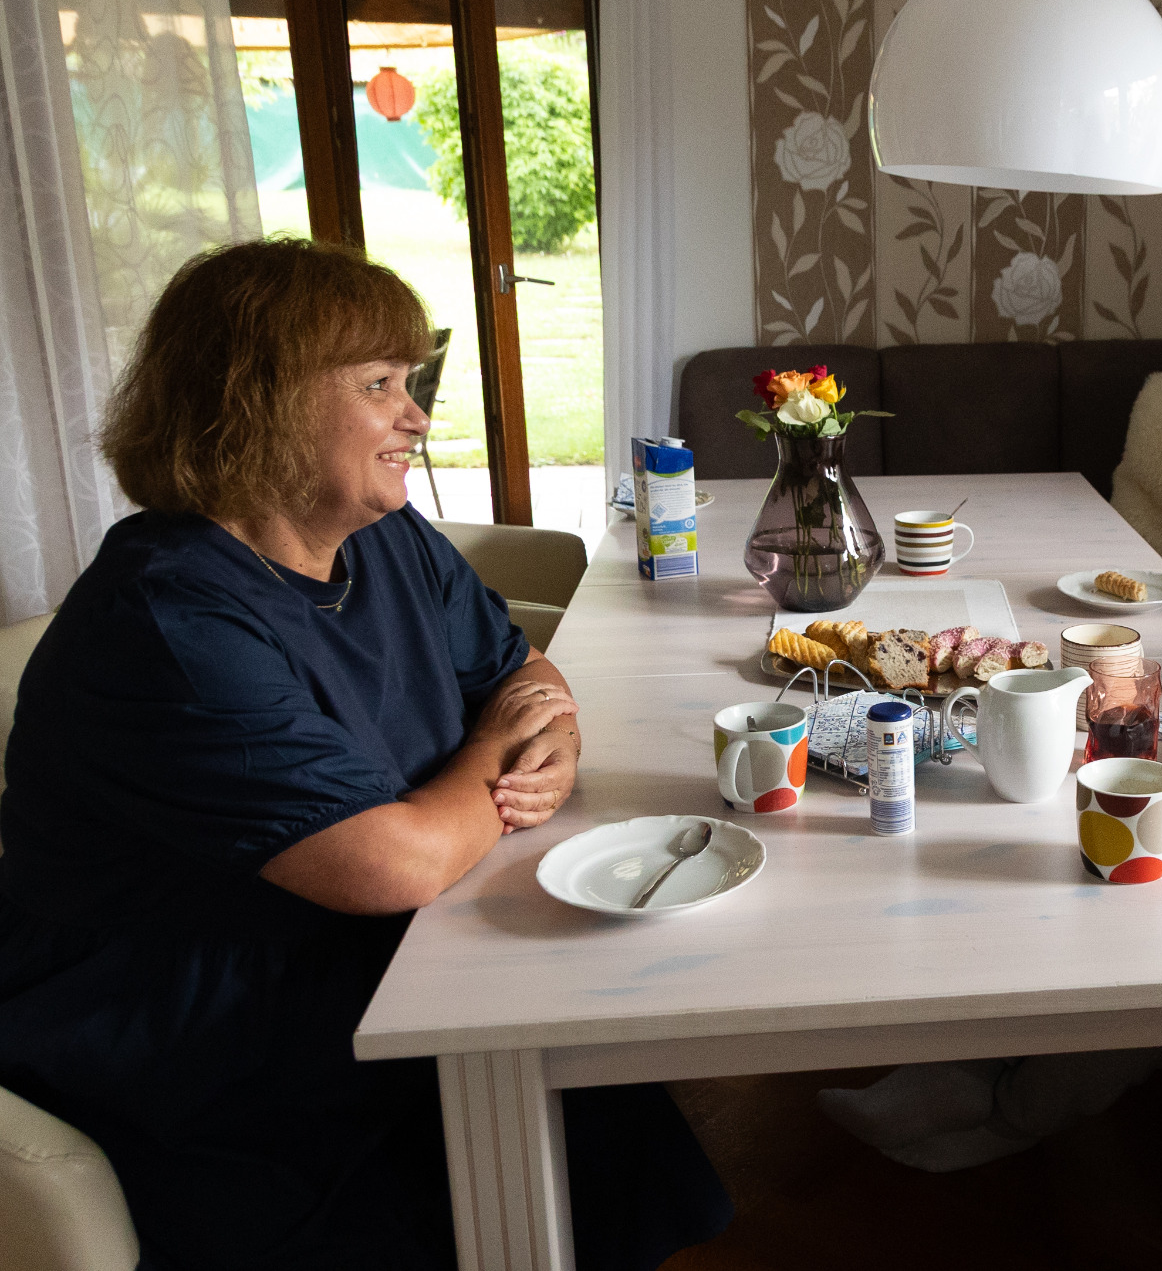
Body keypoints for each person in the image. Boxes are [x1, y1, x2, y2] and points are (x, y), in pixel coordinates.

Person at [0, 240, 730, 1269]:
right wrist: (500, 752)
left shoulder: (381, 537)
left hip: (371, 953)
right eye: (378, 384)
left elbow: (526, 673)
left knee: (592, 1051)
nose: (416, 417)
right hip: (204, 1035)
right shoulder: (167, 619)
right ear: (254, 403)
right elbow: (389, 863)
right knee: (542, 1071)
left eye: (410, 380)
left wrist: (549, 746)